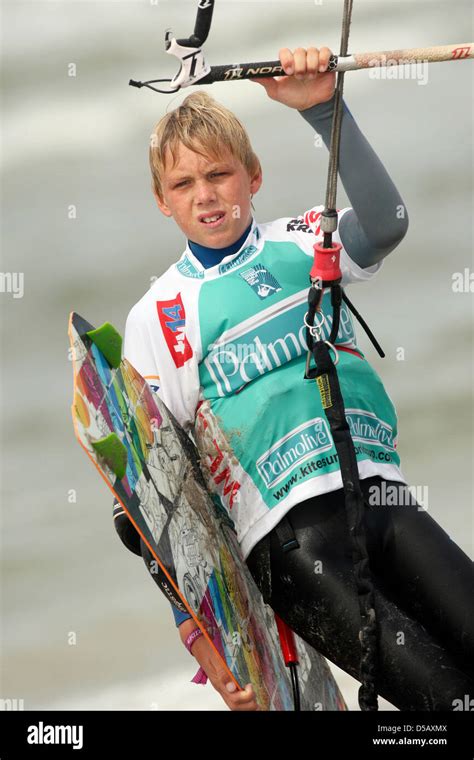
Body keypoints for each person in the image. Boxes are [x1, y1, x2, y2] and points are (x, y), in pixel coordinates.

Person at [114, 46, 474, 711]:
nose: (206, 195)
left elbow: (389, 222)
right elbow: (155, 505)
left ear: (252, 175)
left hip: (385, 501)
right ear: (162, 202)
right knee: (451, 703)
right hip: (293, 548)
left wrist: (322, 107)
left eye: (219, 174)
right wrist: (204, 641)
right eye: (184, 185)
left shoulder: (307, 237)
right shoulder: (157, 317)